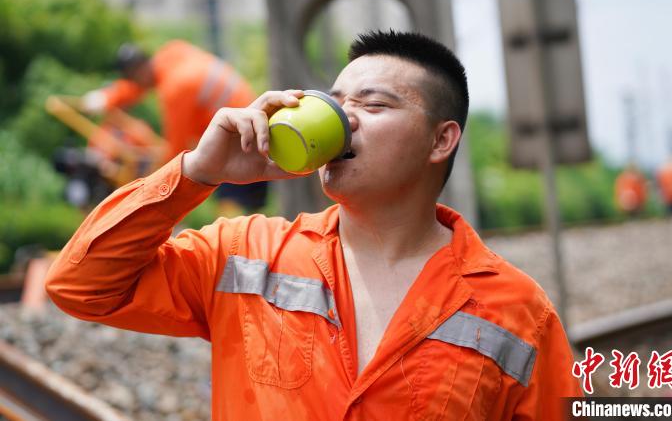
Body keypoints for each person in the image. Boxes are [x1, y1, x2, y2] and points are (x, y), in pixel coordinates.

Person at [46, 31, 582, 420]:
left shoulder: (518, 314)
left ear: (441, 140)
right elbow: (79, 286)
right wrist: (193, 173)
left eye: (373, 104)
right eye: (335, 102)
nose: (344, 117)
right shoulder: (245, 255)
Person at [82, 40, 268, 213]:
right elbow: (139, 86)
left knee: (232, 205)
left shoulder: (176, 90)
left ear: (138, 72)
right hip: (249, 118)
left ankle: (238, 245)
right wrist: (108, 97)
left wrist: (156, 185)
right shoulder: (172, 54)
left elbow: (178, 150)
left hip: (239, 136)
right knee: (249, 203)